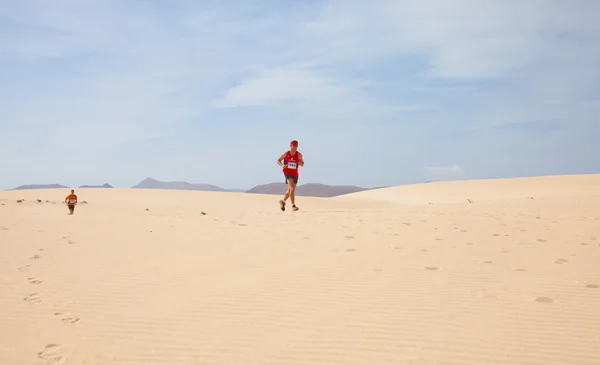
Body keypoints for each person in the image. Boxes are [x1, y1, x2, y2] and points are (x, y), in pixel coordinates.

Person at [277, 140, 304, 211]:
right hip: (287, 172)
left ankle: (283, 202)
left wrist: (299, 162)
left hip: (295, 174)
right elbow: (278, 160)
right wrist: (282, 165)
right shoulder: (286, 154)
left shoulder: (299, 155)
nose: (294, 147)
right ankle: (293, 206)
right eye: (293, 146)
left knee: (290, 191)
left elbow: (302, 164)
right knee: (292, 189)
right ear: (290, 146)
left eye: (296, 146)